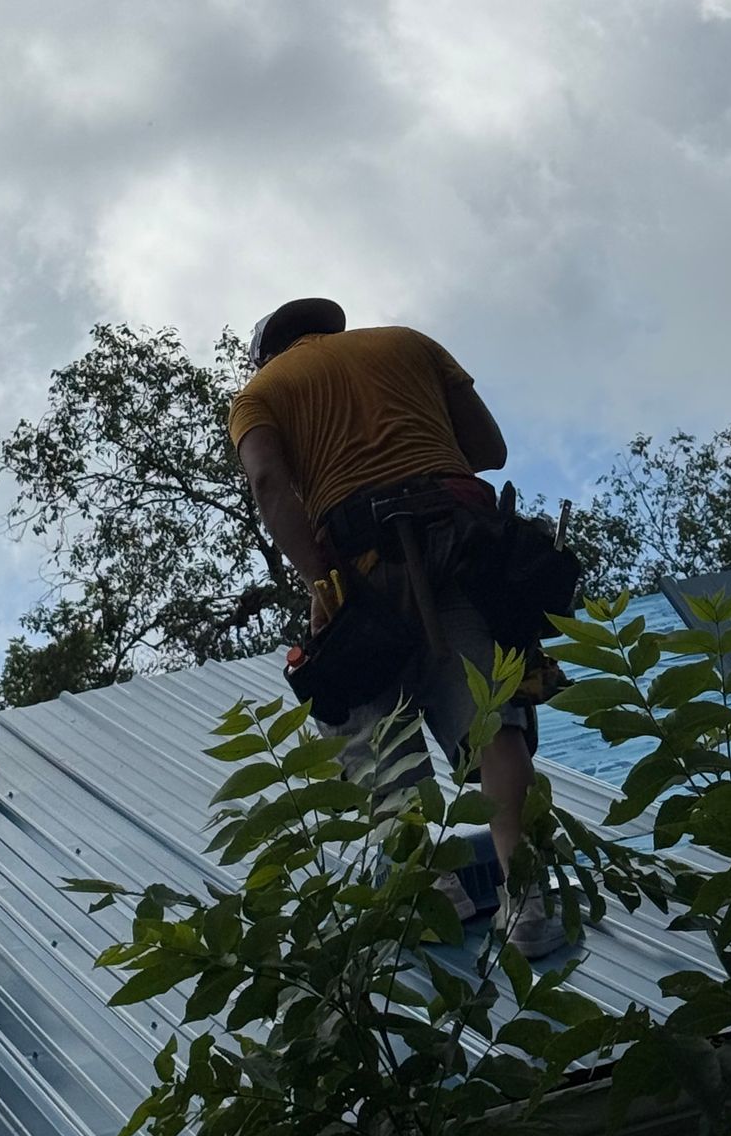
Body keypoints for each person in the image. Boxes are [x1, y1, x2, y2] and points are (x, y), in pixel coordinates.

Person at [229, 297, 566, 958]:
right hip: (462, 549)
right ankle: (527, 907)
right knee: (492, 722)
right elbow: (488, 450)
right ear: (332, 331)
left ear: (268, 352)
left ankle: (435, 894)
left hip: (365, 562)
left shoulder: (260, 391)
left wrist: (319, 580)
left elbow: (270, 483)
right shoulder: (408, 344)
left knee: (365, 718)